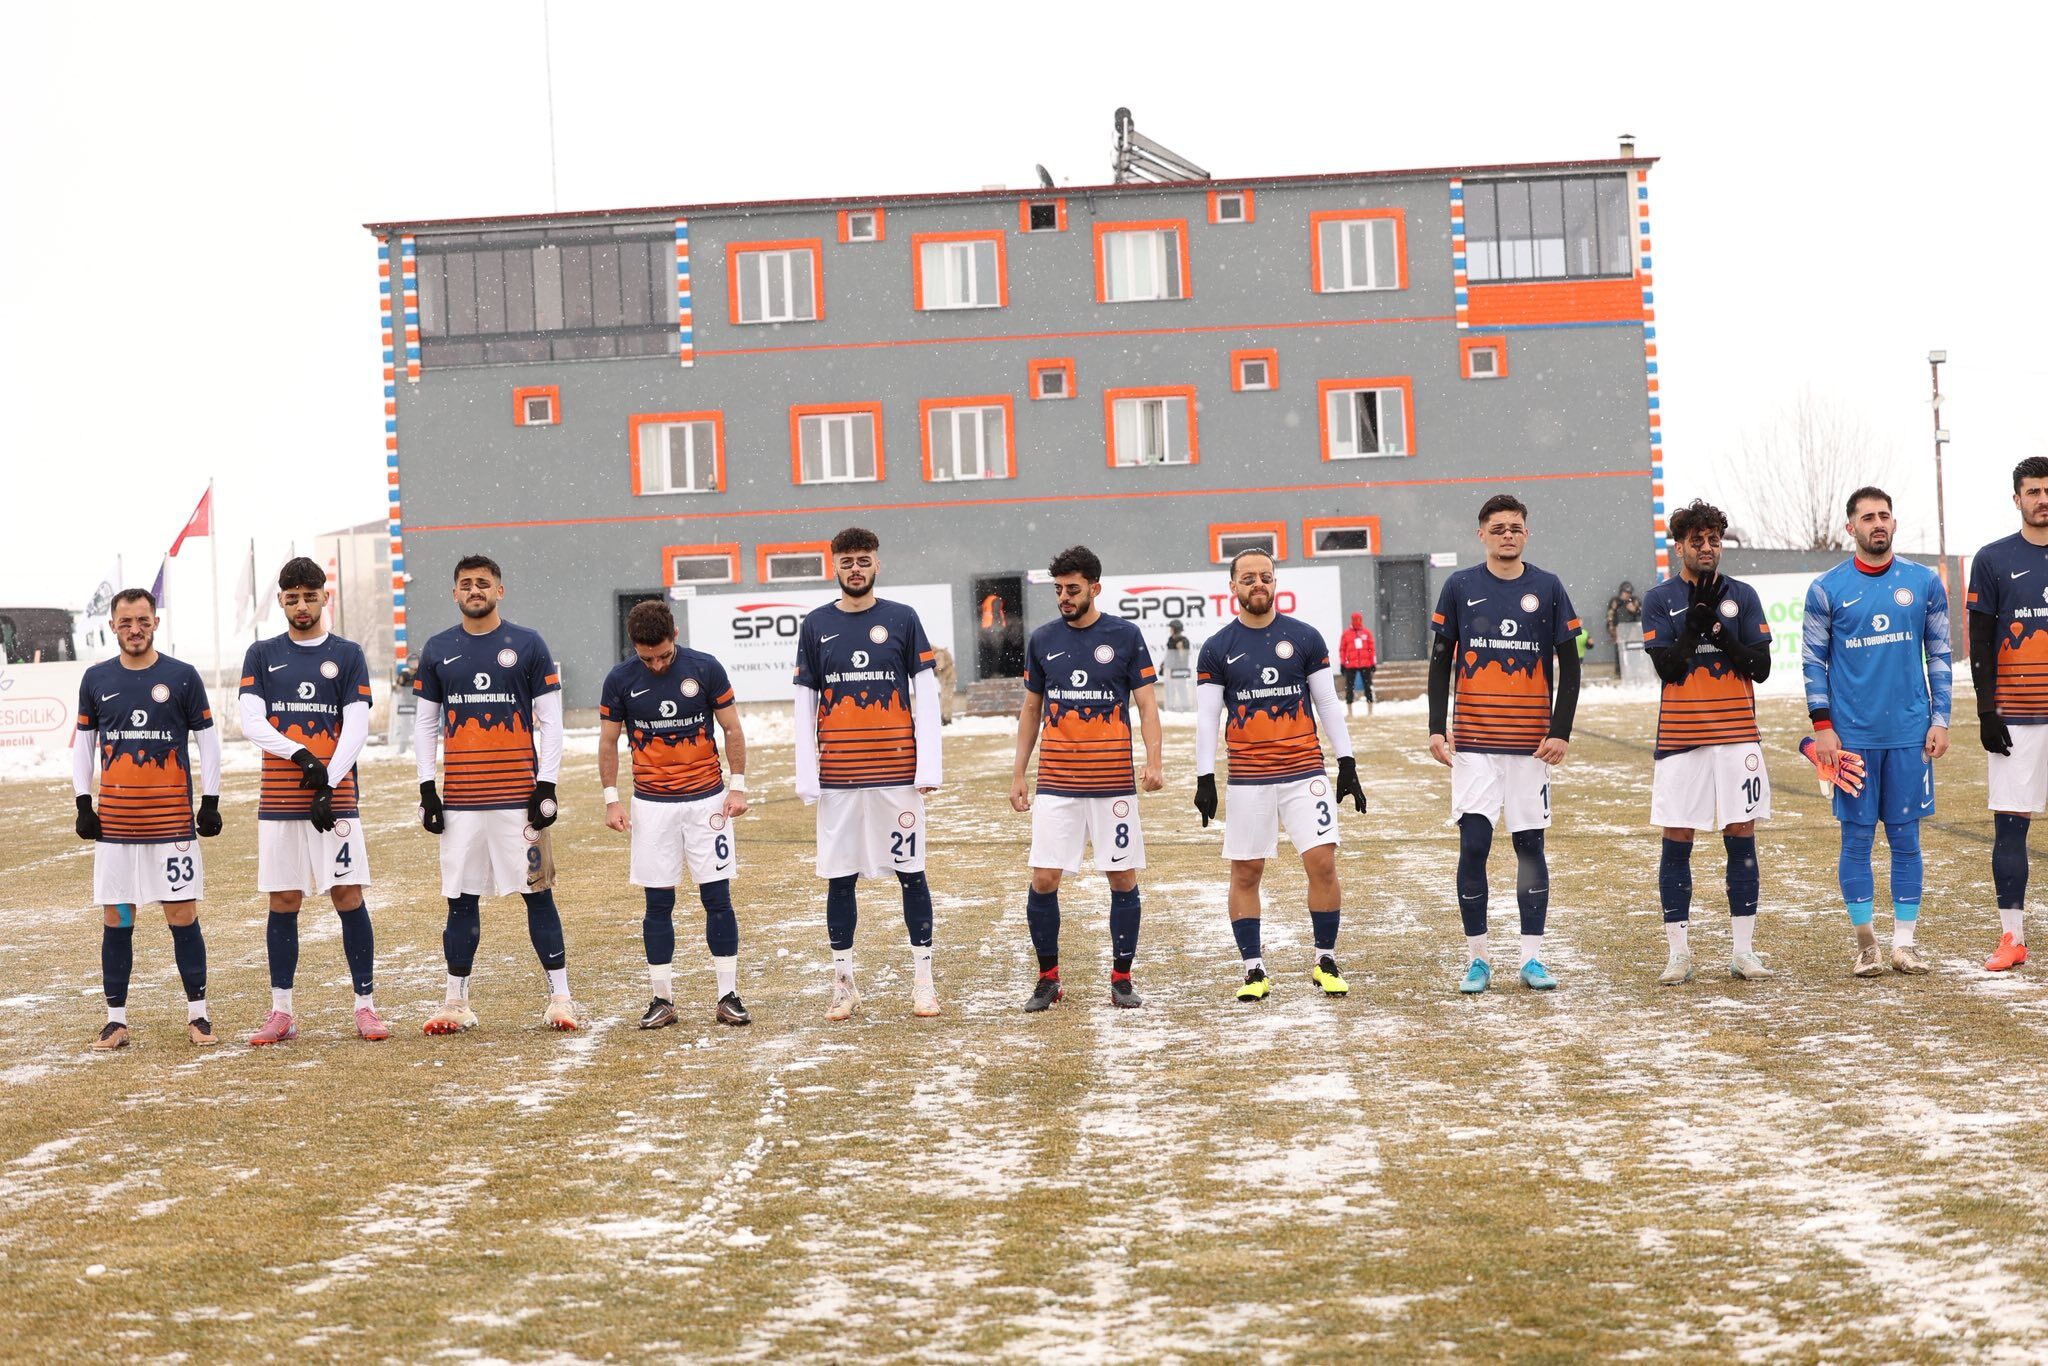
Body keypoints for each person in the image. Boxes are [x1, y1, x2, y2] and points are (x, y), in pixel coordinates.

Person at [413, 554, 579, 1032]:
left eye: (483, 583)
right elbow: (425, 726)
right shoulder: (437, 648)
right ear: (454, 593)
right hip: (461, 804)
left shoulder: (527, 644)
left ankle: (562, 999)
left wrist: (546, 784)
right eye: (466, 584)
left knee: (538, 895)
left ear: (499, 591)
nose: (475, 590)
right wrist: (427, 789)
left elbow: (551, 721)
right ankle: (455, 1003)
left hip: (518, 802)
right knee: (460, 901)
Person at [1193, 549, 1367, 1001]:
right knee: (1247, 871)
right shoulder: (1217, 647)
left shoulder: (1304, 637)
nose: (1258, 584)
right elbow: (1208, 718)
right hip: (1248, 777)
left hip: (1304, 771)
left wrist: (1347, 762)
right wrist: (1204, 777)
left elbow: (1326, 702)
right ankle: (1253, 970)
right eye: (1248, 578)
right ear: (1232, 587)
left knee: (1323, 863)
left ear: (1275, 583)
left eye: (1265, 577)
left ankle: (1325, 960)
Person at [1427, 494, 1583, 993]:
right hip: (1474, 745)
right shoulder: (1460, 586)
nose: (1507, 535)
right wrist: (1436, 726)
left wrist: (1560, 730)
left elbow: (1571, 667)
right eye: (1498, 529)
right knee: (1473, 846)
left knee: (1529, 847)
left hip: (1531, 748)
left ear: (1526, 533)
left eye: (1515, 527)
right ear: (1482, 535)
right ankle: (1477, 960)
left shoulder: (1548, 587)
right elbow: (1440, 660)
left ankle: (1532, 958)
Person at [793, 527, 945, 1021]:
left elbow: (926, 694)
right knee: (839, 881)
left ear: (877, 564)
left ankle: (924, 983)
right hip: (839, 779)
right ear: (833, 566)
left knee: (912, 875)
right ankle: (844, 985)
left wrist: (928, 766)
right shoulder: (816, 625)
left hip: (896, 777)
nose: (855, 569)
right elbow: (804, 703)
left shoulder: (902, 618)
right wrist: (807, 774)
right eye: (847, 561)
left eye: (863, 560)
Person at [1802, 486, 1952, 976]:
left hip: (1910, 735)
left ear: (1894, 522)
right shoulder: (1827, 589)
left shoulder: (1923, 582)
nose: (1878, 523)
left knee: (1907, 842)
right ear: (1851, 528)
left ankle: (1904, 944)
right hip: (1853, 740)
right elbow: (1813, 662)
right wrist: (1823, 727)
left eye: (1884, 515)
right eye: (1867, 517)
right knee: (1857, 842)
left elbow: (1940, 655)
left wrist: (1941, 718)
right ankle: (1866, 944)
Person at [1008, 545, 1164, 1011]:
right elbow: (1031, 709)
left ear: (1095, 588)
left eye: (1073, 589)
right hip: (1057, 782)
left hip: (1113, 783)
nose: (1064, 597)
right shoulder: (1042, 639)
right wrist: (1019, 773)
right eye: (1058, 589)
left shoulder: (1125, 635)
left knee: (1121, 877)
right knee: (1044, 878)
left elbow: (1147, 706)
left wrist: (1154, 761)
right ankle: (1048, 979)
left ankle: (1122, 979)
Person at [236, 557, 385, 1044]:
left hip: (335, 802)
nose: (302, 605)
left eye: (310, 596)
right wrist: (302, 756)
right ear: (281, 601)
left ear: (325, 597)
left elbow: (356, 726)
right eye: (292, 597)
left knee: (348, 896)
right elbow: (252, 722)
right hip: (279, 801)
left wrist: (328, 783)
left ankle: (365, 1007)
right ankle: (282, 1012)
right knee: (284, 899)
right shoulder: (261, 654)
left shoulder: (347, 654)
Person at [72, 587, 223, 1050]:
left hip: (172, 825)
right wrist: (83, 802)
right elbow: (83, 744)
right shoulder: (96, 678)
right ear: (113, 627)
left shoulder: (182, 676)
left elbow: (208, 740)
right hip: (116, 826)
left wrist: (211, 799)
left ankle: (198, 1015)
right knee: (118, 917)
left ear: (155, 622)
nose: (134, 629)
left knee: (182, 914)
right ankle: (116, 1021)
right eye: (126, 622)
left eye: (142, 621)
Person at [1640, 502, 1774, 985]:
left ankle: (1743, 951)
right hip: (1681, 740)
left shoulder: (1743, 595)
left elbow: (1760, 668)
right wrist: (1691, 627)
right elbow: (1669, 669)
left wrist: (1716, 627)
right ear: (1679, 546)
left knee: (1741, 839)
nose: (1706, 548)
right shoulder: (1659, 599)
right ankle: (1678, 954)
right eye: (1696, 540)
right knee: (1678, 842)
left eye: (1714, 539)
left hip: (1738, 738)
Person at [600, 600, 752, 1028]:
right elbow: (608, 742)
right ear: (634, 647)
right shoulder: (620, 679)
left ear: (676, 636)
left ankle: (728, 996)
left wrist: (738, 786)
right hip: (651, 806)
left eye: (664, 655)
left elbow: (732, 728)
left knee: (717, 899)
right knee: (657, 903)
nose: (657, 665)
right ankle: (661, 999)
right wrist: (611, 798)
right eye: (647, 658)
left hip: (707, 803)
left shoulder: (705, 668)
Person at [1968, 456, 2048, 971]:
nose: (2043, 499)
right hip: (2017, 716)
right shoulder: (1993, 559)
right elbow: (1979, 640)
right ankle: (2012, 938)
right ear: (2016, 498)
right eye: (2034, 491)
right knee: (2011, 827)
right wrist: (1986, 711)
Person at [1339, 612, 1376, 715]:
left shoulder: (1366, 633)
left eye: (1359, 619)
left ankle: (1370, 711)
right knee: (1349, 687)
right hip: (1350, 665)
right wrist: (1342, 663)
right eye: (1355, 619)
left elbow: (1371, 649)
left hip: (1365, 664)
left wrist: (1372, 663)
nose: (1357, 622)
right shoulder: (1346, 634)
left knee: (1368, 687)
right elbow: (1342, 649)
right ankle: (1350, 711)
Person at [1608, 581, 1643, 677]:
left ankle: (1635, 671)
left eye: (1629, 593)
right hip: (1619, 631)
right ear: (1621, 592)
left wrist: (1635, 610)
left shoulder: (1634, 601)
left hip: (1633, 631)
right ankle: (1619, 673)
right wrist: (1612, 631)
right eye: (1625, 592)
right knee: (1619, 652)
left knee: (1634, 651)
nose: (1627, 595)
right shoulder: (1615, 602)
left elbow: (1643, 613)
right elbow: (1610, 617)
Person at [1162, 620, 1194, 712]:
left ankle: (1185, 707)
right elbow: (1169, 654)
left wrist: (1181, 648)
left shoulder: (1184, 641)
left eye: (1171, 628)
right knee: (1170, 689)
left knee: (1181, 688)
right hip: (1170, 669)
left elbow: (1184, 657)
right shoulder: (1170, 640)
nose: (1170, 630)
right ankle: (1170, 707)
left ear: (1175, 629)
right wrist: (1164, 664)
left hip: (1180, 670)